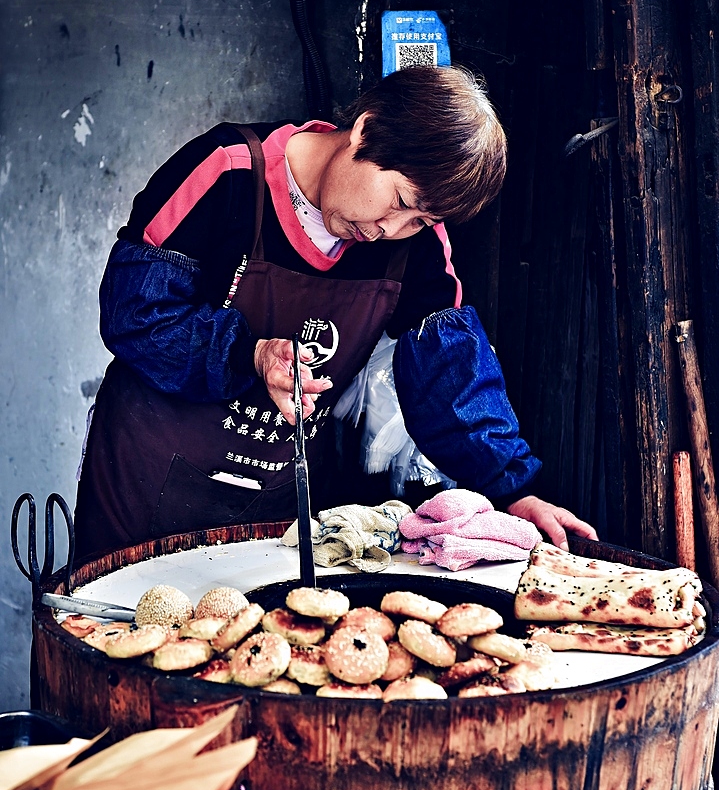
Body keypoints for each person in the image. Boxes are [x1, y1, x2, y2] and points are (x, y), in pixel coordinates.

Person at [74, 64, 597, 557]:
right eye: (398, 200)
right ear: (365, 132)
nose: (391, 229)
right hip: (143, 485)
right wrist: (248, 355)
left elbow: (453, 376)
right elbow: (136, 313)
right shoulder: (228, 171)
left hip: (281, 505)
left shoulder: (417, 246)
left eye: (420, 219)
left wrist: (514, 490)